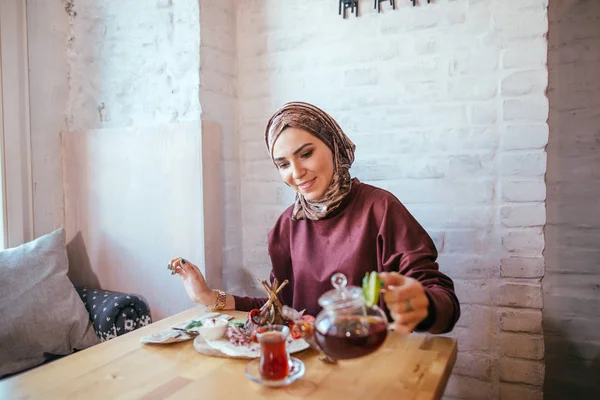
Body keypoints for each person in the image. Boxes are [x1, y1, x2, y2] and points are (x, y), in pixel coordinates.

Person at [169, 102, 460, 334]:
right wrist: (210, 297)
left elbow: (441, 298)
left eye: (305, 154)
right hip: (305, 373)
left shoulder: (380, 209)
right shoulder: (287, 225)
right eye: (283, 164)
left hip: (371, 366)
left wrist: (425, 304)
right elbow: (282, 306)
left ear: (333, 146)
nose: (296, 173)